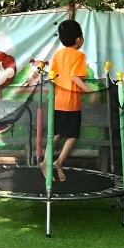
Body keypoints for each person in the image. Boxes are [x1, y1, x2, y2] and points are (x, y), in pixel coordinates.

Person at [43, 20, 92, 182]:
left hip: (57, 101)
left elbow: (52, 77)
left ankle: (46, 162)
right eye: (82, 37)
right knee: (73, 134)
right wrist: (90, 91)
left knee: (56, 134)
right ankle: (58, 161)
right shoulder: (79, 55)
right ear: (78, 39)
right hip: (71, 103)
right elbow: (74, 77)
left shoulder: (58, 54)